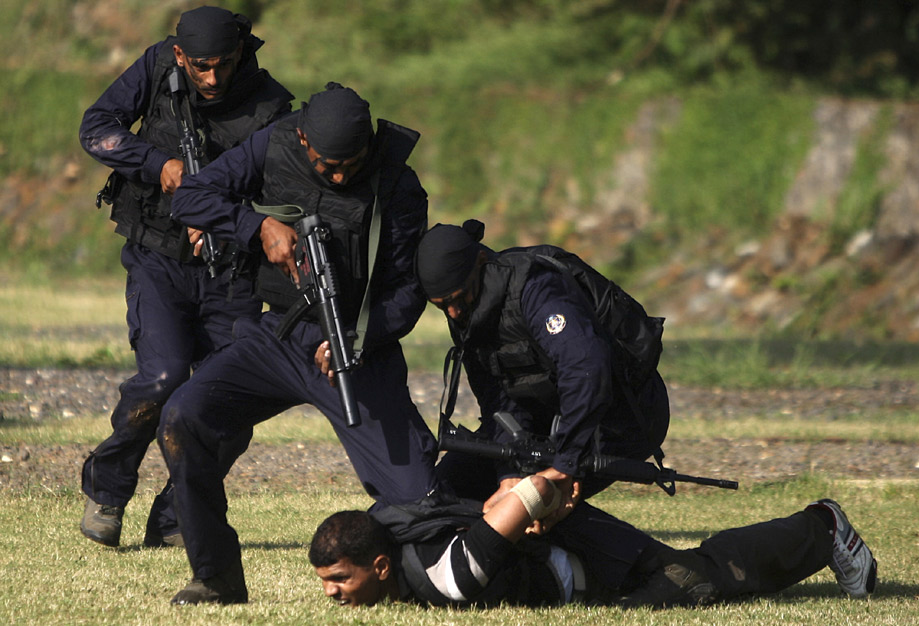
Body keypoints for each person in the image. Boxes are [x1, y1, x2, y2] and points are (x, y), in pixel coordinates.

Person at [158, 83, 439, 605]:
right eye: (327, 166)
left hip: (353, 351)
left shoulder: (398, 184)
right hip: (278, 336)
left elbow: (407, 293)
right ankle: (216, 577)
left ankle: (393, 582)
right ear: (304, 140)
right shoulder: (275, 142)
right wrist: (258, 226)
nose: (339, 176)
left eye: (350, 165)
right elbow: (192, 196)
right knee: (182, 418)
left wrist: (359, 337)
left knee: (418, 495)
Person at [77, 5, 293, 548]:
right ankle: (108, 488)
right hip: (158, 259)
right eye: (201, 67)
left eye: (224, 64)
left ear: (240, 53)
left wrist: (227, 218)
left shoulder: (271, 105)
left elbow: (286, 194)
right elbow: (96, 129)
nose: (213, 78)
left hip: (232, 274)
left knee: (229, 405)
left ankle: (176, 517)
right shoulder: (156, 68)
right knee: (162, 378)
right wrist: (159, 166)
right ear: (180, 55)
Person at [309, 476, 878, 608]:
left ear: (380, 566)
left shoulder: (447, 577)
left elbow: (532, 492)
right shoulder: (392, 539)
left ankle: (823, 528)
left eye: (339, 580)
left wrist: (539, 490)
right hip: (577, 557)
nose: (332, 594)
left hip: (596, 557)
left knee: (700, 579)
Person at [415, 221, 669, 512]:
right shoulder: (466, 313)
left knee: (532, 507)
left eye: (458, 298)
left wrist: (565, 463)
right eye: (441, 306)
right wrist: (508, 472)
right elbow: (496, 398)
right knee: (442, 491)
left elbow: (586, 369)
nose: (453, 312)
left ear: (482, 262)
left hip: (618, 418)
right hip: (550, 422)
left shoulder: (536, 289)